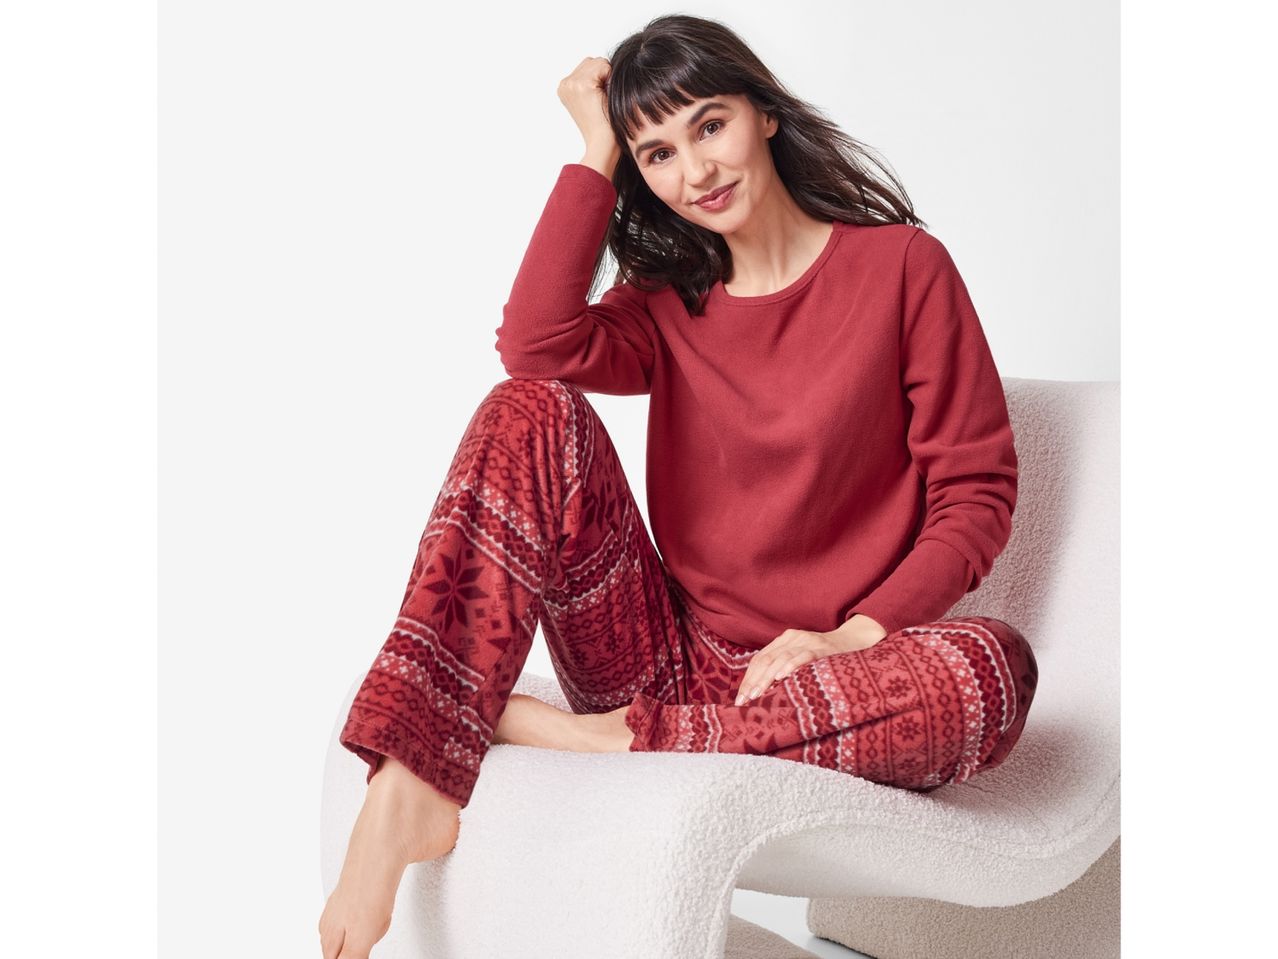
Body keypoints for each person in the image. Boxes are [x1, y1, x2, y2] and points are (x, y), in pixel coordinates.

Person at [318, 14, 1039, 959]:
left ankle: (598, 741)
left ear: (763, 113)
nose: (694, 173)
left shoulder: (903, 269)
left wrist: (852, 634)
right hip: (660, 656)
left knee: (991, 670)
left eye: (708, 125)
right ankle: (413, 773)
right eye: (658, 152)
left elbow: (976, 492)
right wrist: (595, 147)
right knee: (530, 408)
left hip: (830, 673)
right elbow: (535, 346)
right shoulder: (668, 299)